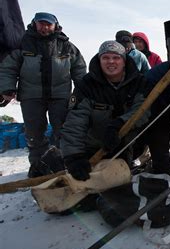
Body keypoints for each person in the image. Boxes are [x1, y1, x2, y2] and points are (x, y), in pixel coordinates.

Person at [0, 12, 86, 177]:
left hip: (60, 96)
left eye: (48, 24)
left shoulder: (66, 45)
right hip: (31, 96)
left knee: (64, 131)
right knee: (34, 133)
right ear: (35, 24)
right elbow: (8, 68)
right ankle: (38, 168)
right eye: (41, 24)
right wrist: (7, 88)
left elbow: (79, 69)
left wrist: (82, 90)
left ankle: (63, 164)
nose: (45, 27)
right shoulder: (23, 43)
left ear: (55, 25)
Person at [61, 40, 150, 181]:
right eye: (106, 58)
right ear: (99, 60)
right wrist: (74, 157)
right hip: (96, 146)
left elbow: (143, 110)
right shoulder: (86, 85)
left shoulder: (139, 82)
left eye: (116, 58)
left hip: (129, 145)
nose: (111, 62)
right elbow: (75, 122)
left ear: (124, 61)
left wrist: (119, 124)